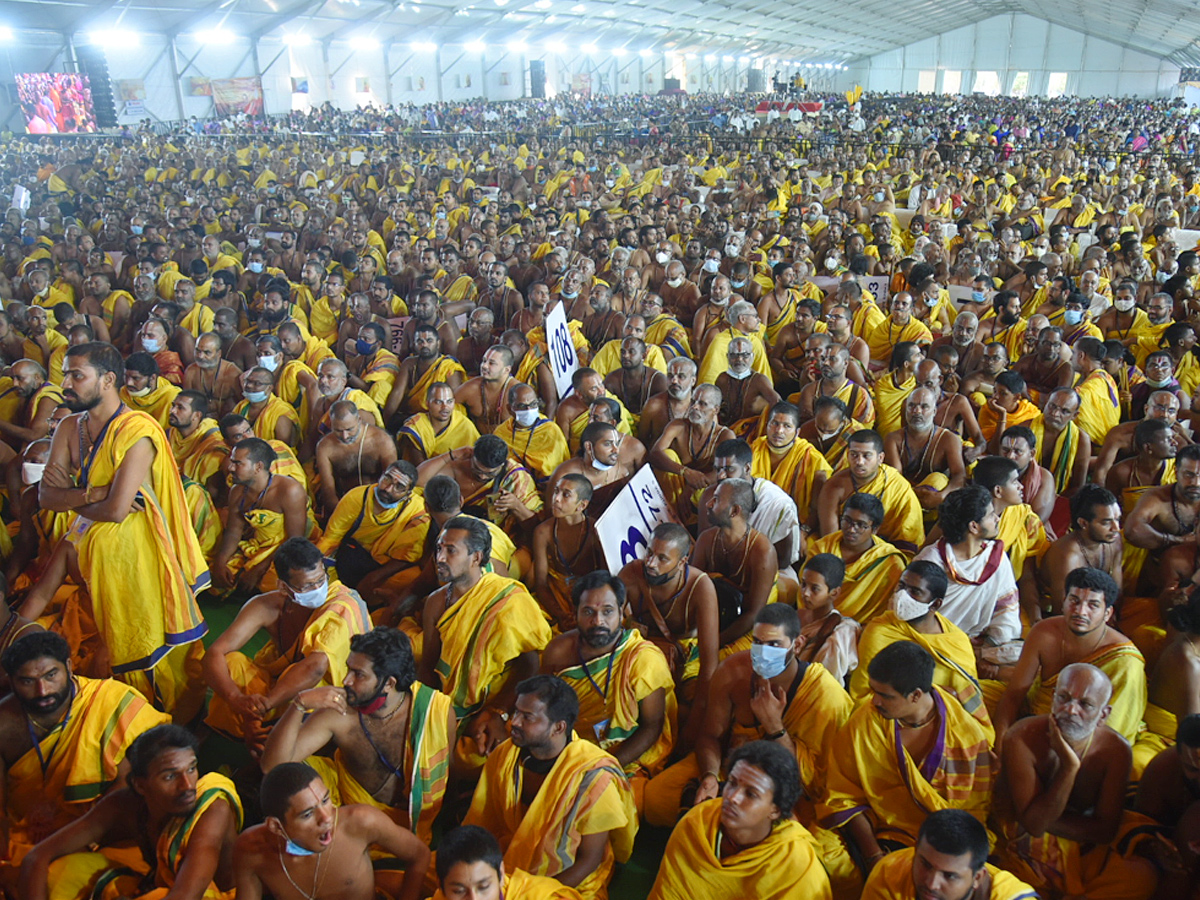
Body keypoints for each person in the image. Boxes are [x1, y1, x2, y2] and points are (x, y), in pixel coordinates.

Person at [25, 341, 208, 716]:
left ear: (108, 380)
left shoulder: (137, 430)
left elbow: (116, 509)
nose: (67, 384)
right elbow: (45, 497)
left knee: (146, 646)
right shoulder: (67, 427)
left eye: (78, 376)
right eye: (66, 375)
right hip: (87, 533)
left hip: (134, 549)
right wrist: (96, 491)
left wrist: (77, 497)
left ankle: (169, 723)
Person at [261, 627, 455, 845]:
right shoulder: (338, 712)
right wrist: (299, 704)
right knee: (299, 776)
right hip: (349, 819)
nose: (346, 680)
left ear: (389, 683)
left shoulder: (435, 712)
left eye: (359, 674)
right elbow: (272, 767)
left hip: (411, 826)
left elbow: (447, 773)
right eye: (348, 669)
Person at [821, 641, 994, 873]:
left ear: (915, 695)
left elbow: (973, 811)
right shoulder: (865, 722)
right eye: (873, 691)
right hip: (884, 834)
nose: (874, 701)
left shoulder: (965, 734)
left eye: (885, 696)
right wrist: (873, 855)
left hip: (948, 842)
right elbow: (843, 796)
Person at [16, 724, 242, 900]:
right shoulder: (124, 805)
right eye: (170, 776)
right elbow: (37, 856)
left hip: (207, 895)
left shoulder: (213, 808)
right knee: (64, 872)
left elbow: (187, 895)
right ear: (140, 785)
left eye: (191, 769)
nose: (187, 785)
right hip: (159, 887)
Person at [0, 632, 171, 863]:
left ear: (69, 667)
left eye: (51, 675)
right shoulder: (5, 724)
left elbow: (130, 787)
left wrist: (76, 835)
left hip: (105, 831)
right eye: (27, 681)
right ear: (11, 681)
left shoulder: (112, 702)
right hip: (24, 832)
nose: (43, 691)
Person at [464, 675, 637, 900]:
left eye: (527, 717)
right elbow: (484, 821)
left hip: (562, 884)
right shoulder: (506, 754)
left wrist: (533, 894)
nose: (514, 722)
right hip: (506, 865)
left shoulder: (594, 777)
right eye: (516, 712)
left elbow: (589, 860)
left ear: (558, 727)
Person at [995, 664, 1158, 900]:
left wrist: (1044, 816)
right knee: (1011, 880)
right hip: (1023, 844)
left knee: (1141, 877)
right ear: (1053, 697)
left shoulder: (1116, 751)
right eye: (1064, 698)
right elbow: (1034, 825)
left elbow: (1104, 831)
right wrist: (1069, 767)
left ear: (1103, 715)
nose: (1070, 710)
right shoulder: (1022, 736)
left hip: (1082, 845)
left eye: (1085, 704)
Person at [203, 538, 370, 747]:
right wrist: (236, 700)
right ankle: (251, 732)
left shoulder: (343, 603)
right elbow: (215, 653)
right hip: (281, 690)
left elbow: (315, 668)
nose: (318, 589)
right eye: (308, 586)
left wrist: (265, 705)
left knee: (310, 683)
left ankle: (269, 738)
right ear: (283, 586)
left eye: (321, 580)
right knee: (233, 662)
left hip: (327, 695)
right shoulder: (266, 606)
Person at [419, 516, 552, 762]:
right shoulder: (436, 602)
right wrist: (431, 713)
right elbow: (428, 666)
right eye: (439, 548)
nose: (439, 558)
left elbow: (530, 665)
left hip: (499, 701)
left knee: (485, 756)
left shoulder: (508, 599)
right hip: (449, 707)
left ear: (476, 558)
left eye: (451, 551)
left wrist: (497, 712)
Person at [540, 571, 674, 812]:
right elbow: (545, 710)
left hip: (626, 757)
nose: (598, 621)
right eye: (588, 612)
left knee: (610, 808)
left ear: (622, 613)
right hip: (571, 750)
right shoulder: (558, 653)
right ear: (576, 613)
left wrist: (608, 765)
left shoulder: (643, 659)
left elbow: (652, 726)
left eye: (607, 612)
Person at [649, 741, 833, 900]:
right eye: (732, 783)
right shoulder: (697, 822)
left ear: (775, 810)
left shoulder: (799, 868)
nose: (733, 797)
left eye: (751, 794)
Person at [992, 567, 1146, 749]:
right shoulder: (1043, 632)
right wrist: (1000, 746)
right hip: (1036, 715)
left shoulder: (1126, 661)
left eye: (1093, 605)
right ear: (1063, 601)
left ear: (1107, 614)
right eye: (1074, 601)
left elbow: (1110, 729)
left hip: (1083, 736)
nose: (1080, 612)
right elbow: (1013, 696)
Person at [232, 761, 430, 900]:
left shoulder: (361, 822)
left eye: (326, 801)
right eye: (308, 814)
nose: (326, 818)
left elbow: (420, 855)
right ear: (276, 826)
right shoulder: (251, 849)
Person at [850, 560, 993, 740]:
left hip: (945, 719)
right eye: (901, 587)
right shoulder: (880, 631)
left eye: (915, 592)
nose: (903, 596)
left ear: (935, 604)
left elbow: (967, 698)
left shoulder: (956, 642)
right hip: (887, 718)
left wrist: (943, 703)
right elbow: (864, 694)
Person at [620, 522, 720, 707]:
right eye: (649, 553)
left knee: (687, 702)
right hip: (640, 655)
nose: (651, 563)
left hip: (684, 656)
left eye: (662, 558)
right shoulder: (632, 573)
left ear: (682, 562)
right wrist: (627, 625)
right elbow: (609, 623)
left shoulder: (700, 587)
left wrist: (696, 717)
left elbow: (709, 663)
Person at [914, 484, 1020, 646]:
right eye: (991, 515)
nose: (997, 519)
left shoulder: (996, 557)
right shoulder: (930, 561)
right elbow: (913, 615)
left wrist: (989, 644)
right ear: (974, 526)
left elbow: (1007, 611)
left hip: (977, 642)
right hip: (934, 642)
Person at [861, 809, 1038, 900]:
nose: (931, 883)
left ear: (977, 877)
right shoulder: (889, 874)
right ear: (915, 851)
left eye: (950, 875)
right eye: (925, 864)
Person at [315, 461, 430, 597]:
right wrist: (333, 584)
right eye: (387, 479)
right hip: (352, 556)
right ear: (380, 476)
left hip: (386, 566)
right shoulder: (356, 498)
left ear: (408, 494)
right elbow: (331, 540)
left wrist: (374, 577)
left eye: (399, 486)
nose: (388, 489)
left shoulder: (417, 511)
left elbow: (407, 556)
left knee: (410, 579)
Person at [212, 437, 311, 594]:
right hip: (257, 546)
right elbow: (233, 532)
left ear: (258, 467)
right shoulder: (237, 490)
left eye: (237, 463)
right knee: (219, 582)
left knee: (273, 584)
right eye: (232, 461)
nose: (230, 468)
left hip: (285, 549)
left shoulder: (289, 491)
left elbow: (295, 541)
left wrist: (258, 570)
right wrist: (220, 562)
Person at [692, 478, 780, 654]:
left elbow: (753, 614)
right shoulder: (706, 539)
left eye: (716, 499)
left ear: (734, 510)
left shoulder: (762, 551)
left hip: (747, 625)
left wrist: (710, 644)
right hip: (712, 617)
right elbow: (692, 589)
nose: (708, 504)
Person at [804, 492, 908, 625]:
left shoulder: (889, 562)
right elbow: (805, 595)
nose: (851, 529)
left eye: (861, 525)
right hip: (816, 621)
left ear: (875, 529)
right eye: (847, 520)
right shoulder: (822, 548)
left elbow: (889, 610)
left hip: (862, 628)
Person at [817, 429, 925, 554]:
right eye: (854, 455)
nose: (859, 462)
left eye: (866, 455)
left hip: (888, 551)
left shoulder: (896, 484)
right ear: (847, 455)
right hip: (849, 547)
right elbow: (831, 538)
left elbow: (908, 533)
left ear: (880, 458)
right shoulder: (834, 487)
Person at [433, 825, 585, 900]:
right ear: (441, 887)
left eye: (484, 887)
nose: (474, 899)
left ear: (500, 874)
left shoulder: (538, 897)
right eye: (459, 892)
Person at [532, 475, 606, 629]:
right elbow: (541, 583)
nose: (556, 499)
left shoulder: (596, 531)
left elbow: (605, 579)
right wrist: (561, 615)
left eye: (566, 495)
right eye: (556, 491)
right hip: (556, 592)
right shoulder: (543, 532)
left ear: (581, 505)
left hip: (589, 592)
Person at [748, 401, 832, 529]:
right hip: (754, 519)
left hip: (794, 524)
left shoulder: (812, 459)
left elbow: (817, 508)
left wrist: (804, 531)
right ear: (767, 425)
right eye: (775, 424)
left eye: (787, 426)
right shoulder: (754, 449)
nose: (779, 431)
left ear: (797, 432)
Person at [884, 387, 967, 514]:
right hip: (904, 499)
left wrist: (942, 495)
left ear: (934, 411)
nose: (917, 411)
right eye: (912, 406)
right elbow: (896, 479)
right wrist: (913, 495)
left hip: (936, 502)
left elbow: (960, 476)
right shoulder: (893, 439)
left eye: (924, 407)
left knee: (938, 480)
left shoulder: (949, 439)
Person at [314, 399, 398, 517]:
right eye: (338, 430)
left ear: (359, 420)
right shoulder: (324, 447)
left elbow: (392, 484)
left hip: (378, 506)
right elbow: (328, 490)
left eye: (349, 429)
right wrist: (342, 516)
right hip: (343, 506)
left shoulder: (382, 441)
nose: (345, 436)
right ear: (331, 424)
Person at [795, 553, 862, 685]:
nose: (805, 593)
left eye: (815, 589)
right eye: (803, 584)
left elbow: (826, 682)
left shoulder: (841, 633)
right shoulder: (797, 616)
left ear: (834, 593)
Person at [493, 382, 570, 485]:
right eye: (522, 406)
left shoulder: (551, 431)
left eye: (533, 404)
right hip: (512, 486)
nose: (529, 410)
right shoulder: (501, 433)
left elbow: (558, 471)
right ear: (509, 409)